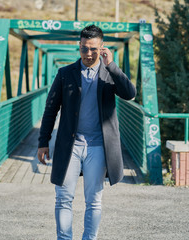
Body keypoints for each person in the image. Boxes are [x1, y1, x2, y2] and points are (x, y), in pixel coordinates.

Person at [37, 24, 136, 240]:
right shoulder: (65, 74)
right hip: (69, 146)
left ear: (102, 48)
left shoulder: (109, 74)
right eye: (83, 48)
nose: (88, 54)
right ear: (79, 47)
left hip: (99, 146)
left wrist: (112, 66)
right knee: (63, 198)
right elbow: (50, 109)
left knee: (94, 200)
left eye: (92, 49)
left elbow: (129, 94)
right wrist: (43, 141)